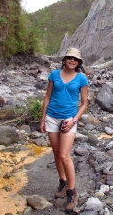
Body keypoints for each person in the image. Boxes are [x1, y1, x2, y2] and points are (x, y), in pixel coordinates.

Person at [40, 47, 88, 213]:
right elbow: (47, 97)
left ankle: (72, 191)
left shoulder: (82, 78)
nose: (72, 61)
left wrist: (74, 119)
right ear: (65, 59)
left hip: (69, 119)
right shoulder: (54, 75)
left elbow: (84, 103)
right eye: (69, 58)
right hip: (52, 118)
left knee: (64, 155)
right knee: (55, 153)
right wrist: (42, 119)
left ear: (78, 62)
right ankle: (63, 181)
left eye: (75, 59)